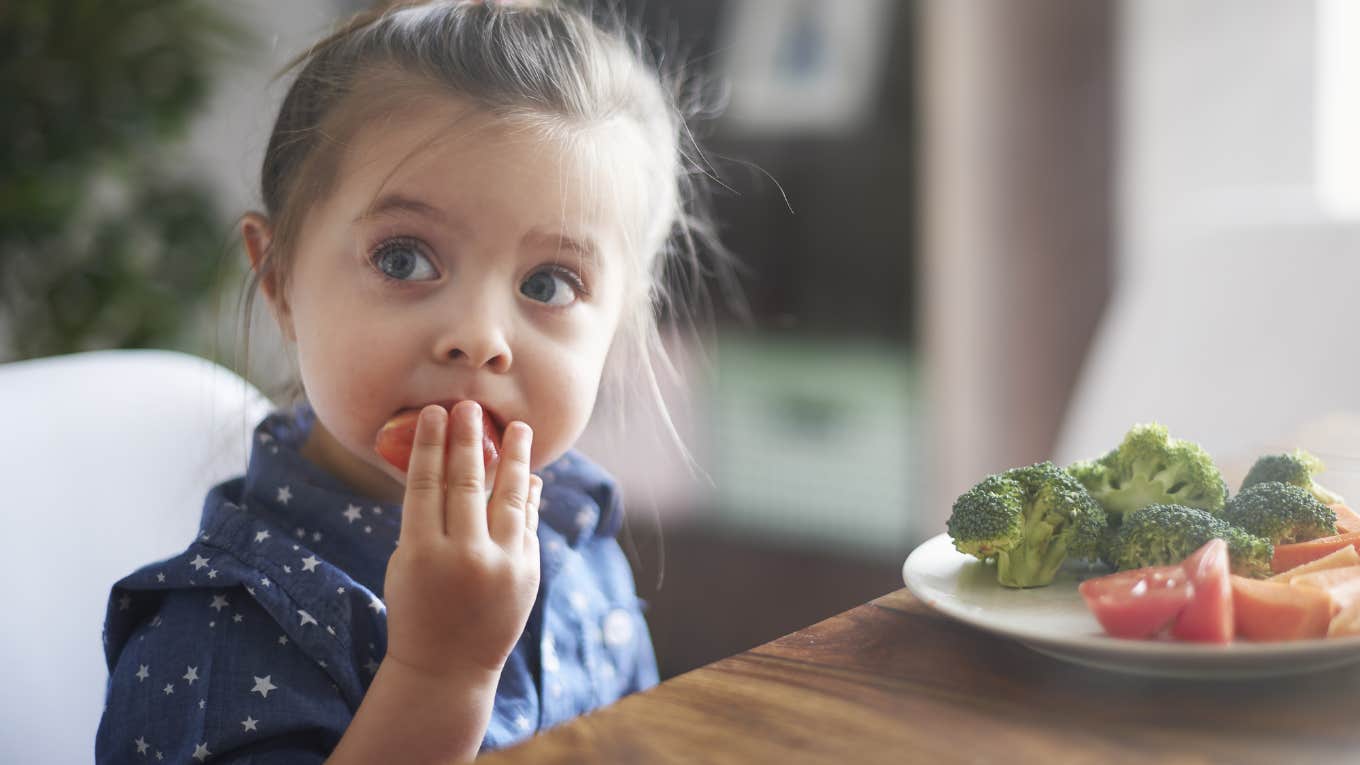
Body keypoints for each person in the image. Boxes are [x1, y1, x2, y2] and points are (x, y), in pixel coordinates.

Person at [95, 1, 729, 761]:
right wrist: (440, 674)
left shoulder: (577, 532)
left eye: (551, 283)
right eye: (403, 259)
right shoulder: (214, 637)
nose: (479, 338)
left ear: (621, 326)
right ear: (281, 280)